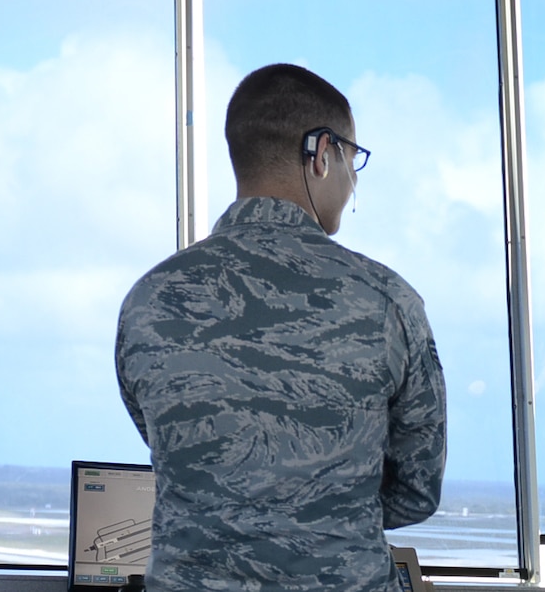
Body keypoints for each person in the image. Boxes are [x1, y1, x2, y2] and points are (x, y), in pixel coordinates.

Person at [115, 63, 445, 591]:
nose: (352, 180)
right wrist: (321, 504)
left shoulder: (149, 300)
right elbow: (416, 490)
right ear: (321, 154)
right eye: (352, 160)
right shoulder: (386, 301)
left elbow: (171, 450)